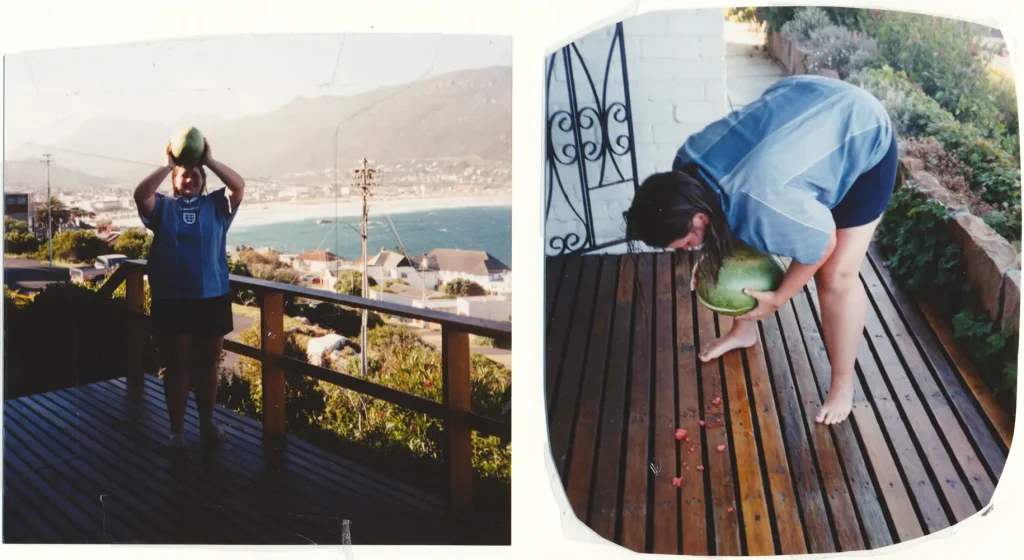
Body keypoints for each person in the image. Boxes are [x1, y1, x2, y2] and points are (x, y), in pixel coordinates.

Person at [623, 74, 898, 425]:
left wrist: (780, 297)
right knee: (736, 227)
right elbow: (729, 218)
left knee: (835, 275)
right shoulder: (686, 165)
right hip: (805, 103)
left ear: (697, 218)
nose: (689, 250)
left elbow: (822, 242)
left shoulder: (758, 200)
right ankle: (744, 331)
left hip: (862, 131)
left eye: (686, 244)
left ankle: (843, 384)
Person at [134, 139, 245, 447]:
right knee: (177, 368)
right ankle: (177, 431)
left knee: (208, 367)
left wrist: (209, 160)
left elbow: (238, 187)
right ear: (174, 180)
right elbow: (140, 194)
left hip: (212, 296)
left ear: (204, 180)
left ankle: (207, 424)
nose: (190, 179)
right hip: (172, 299)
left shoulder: (216, 206)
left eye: (196, 175)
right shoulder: (163, 208)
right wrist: (169, 163)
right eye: (184, 174)